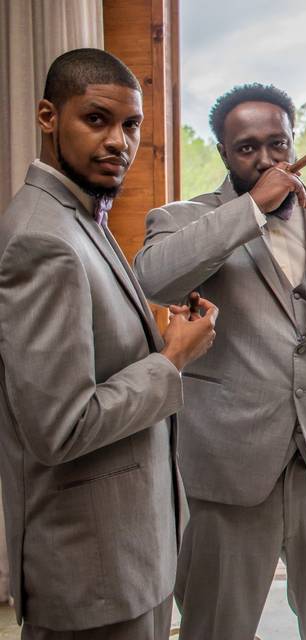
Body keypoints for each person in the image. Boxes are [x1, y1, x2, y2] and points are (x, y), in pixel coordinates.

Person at [133, 83, 306, 640]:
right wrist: (250, 208)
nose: (268, 159)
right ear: (225, 153)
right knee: (215, 626)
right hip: (230, 464)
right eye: (248, 147)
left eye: (277, 143)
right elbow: (154, 280)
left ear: (292, 139)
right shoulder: (182, 220)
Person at [0, 48, 217, 639]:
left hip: (125, 561)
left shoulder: (79, 218)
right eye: (96, 120)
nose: (119, 141)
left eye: (130, 125)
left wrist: (160, 335)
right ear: (48, 116)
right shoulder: (42, 241)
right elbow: (60, 428)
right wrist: (171, 358)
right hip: (90, 574)